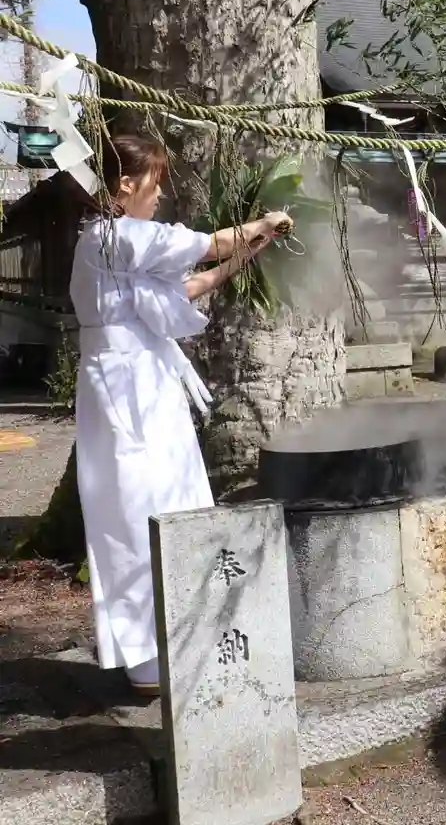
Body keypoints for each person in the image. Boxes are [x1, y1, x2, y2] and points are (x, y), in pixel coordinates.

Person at [71, 134, 289, 695]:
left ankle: (183, 636)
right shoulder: (111, 236)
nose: (160, 193)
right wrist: (262, 221)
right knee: (133, 514)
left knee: (177, 500)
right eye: (155, 181)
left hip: (147, 386)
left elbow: (193, 282)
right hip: (124, 394)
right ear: (125, 184)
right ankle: (146, 655)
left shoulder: (122, 248)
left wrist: (251, 249)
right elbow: (206, 246)